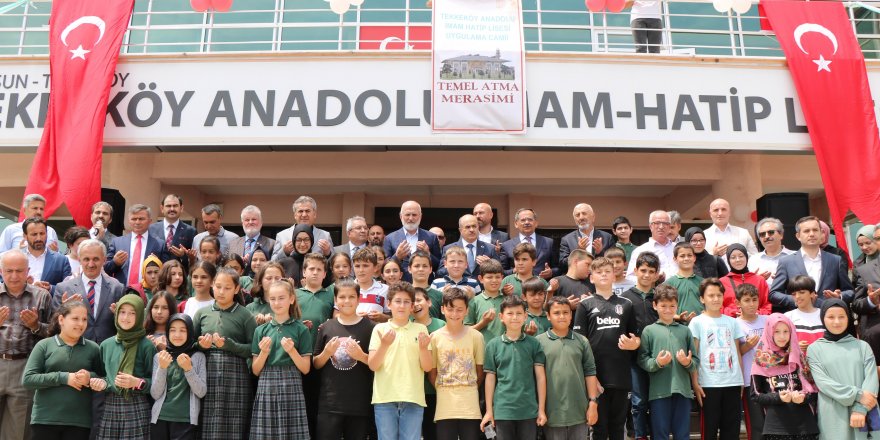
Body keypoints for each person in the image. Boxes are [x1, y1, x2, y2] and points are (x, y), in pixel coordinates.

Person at [573, 257, 640, 440]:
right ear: (591, 278)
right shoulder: (585, 305)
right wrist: (590, 377)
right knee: (599, 428)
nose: (603, 274)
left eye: (607, 271)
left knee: (618, 428)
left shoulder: (626, 304)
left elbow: (635, 337)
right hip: (596, 378)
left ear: (614, 276)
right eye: (599, 272)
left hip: (620, 376)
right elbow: (580, 344)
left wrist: (635, 343)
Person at [22, 300, 103, 440]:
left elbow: (103, 379)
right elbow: (28, 379)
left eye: (84, 319)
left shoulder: (93, 348)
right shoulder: (44, 345)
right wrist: (65, 378)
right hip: (44, 420)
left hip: (79, 422)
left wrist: (89, 377)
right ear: (61, 319)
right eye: (75, 318)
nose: (81, 324)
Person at [194, 267, 257, 440]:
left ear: (237, 289)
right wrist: (202, 345)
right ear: (212, 285)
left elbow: (253, 349)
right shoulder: (201, 313)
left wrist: (230, 345)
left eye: (227, 288)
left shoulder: (245, 315)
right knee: (207, 419)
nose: (221, 292)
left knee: (235, 420)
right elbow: (190, 345)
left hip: (236, 373)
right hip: (206, 371)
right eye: (218, 286)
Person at [368, 281, 433, 440]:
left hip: (413, 398)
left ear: (412, 306)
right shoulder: (380, 329)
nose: (402, 306)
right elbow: (373, 365)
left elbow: (427, 367)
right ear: (389, 304)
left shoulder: (421, 329)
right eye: (397, 301)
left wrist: (424, 349)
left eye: (406, 302)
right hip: (385, 398)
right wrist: (384, 344)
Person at [806, 299, 879, 439]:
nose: (837, 322)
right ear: (823, 319)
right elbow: (824, 383)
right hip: (833, 414)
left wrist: (861, 409)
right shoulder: (814, 349)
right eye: (831, 317)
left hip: (865, 410)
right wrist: (858, 395)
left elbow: (871, 379)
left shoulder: (862, 346)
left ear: (848, 317)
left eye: (841, 316)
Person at [313, 278, 375, 440]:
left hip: (359, 403)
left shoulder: (370, 327)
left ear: (359, 299)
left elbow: (376, 363)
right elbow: (316, 364)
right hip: (330, 403)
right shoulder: (327, 327)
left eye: (351, 297)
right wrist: (326, 353)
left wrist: (360, 356)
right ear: (335, 300)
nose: (346, 301)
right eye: (342, 297)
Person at [250, 280, 312, 440]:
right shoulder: (260, 330)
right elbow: (256, 370)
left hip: (291, 382)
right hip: (266, 383)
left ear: (291, 299)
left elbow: (305, 368)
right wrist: (263, 353)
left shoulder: (301, 329)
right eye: (273, 299)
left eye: (281, 298)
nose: (277, 303)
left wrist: (292, 351)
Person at [0, 249, 51, 440]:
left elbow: (54, 334)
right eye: (9, 270)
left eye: (19, 271)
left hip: (25, 366)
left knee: (18, 431)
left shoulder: (41, 296)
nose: (14, 276)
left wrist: (35, 326)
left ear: (28, 271)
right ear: (1, 271)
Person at [636, 284, 698, 440]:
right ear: (655, 305)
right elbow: (642, 359)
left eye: (672, 306)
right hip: (658, 392)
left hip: (683, 391)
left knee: (683, 434)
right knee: (660, 434)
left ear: (677, 306)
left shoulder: (685, 330)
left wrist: (686, 362)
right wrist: (657, 362)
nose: (668, 310)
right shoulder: (649, 331)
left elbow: (696, 361)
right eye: (663, 305)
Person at [480, 295, 547, 439]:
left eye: (519, 313)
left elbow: (541, 378)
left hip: (529, 410)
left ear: (525, 316)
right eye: (510, 313)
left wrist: (541, 409)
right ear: (501, 317)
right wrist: (489, 411)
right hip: (503, 410)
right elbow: (490, 379)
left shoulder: (534, 344)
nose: (514, 317)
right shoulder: (493, 345)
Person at [689, 278, 746, 440]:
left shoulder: (733, 322)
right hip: (708, 384)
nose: (715, 299)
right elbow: (694, 354)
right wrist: (695, 382)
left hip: (732, 382)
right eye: (710, 295)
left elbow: (737, 352)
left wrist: (740, 379)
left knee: (731, 431)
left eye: (719, 295)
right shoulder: (697, 322)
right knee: (709, 430)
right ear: (702, 299)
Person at [95, 293, 156, 439]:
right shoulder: (106, 345)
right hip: (110, 405)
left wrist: (137, 382)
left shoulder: (146, 346)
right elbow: (102, 375)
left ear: (140, 315)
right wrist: (100, 382)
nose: (125, 317)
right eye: (122, 312)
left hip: (136, 404)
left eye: (132, 313)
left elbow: (156, 381)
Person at [537, 296, 599, 440]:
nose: (562, 316)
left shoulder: (582, 341)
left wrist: (593, 402)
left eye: (566, 312)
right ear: (548, 316)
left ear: (571, 315)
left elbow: (590, 372)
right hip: (552, 412)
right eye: (556, 313)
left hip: (579, 411)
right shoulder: (538, 342)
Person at [750, 313, 819, 440]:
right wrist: (778, 398)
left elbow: (815, 391)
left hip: (805, 427)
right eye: (777, 331)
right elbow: (755, 395)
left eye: (786, 331)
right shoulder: (761, 360)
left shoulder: (799, 357)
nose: (782, 336)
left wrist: (803, 397)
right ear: (769, 331)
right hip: (776, 428)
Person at [430, 287, 485, 440]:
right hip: (445, 406)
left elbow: (480, 372)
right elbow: (432, 373)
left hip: (470, 406)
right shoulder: (434, 337)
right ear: (442, 309)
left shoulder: (476, 336)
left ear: (467, 310)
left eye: (460, 310)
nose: (455, 314)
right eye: (450, 309)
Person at [770, 216, 853, 313]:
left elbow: (850, 291)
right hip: (799, 319)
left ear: (822, 233)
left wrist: (839, 296)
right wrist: (797, 300)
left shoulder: (835, 260)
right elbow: (774, 293)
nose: (812, 234)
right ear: (798, 236)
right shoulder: (786, 262)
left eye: (815, 230)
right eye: (806, 231)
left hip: (829, 317)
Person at [621, 251, 661, 440]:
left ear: (656, 274)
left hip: (658, 356)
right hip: (634, 358)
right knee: (638, 401)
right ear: (635, 270)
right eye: (643, 270)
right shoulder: (626, 298)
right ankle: (639, 435)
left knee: (657, 400)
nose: (646, 275)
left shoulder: (660, 296)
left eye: (651, 271)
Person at [54, 239, 126, 343]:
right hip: (76, 349)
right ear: (79, 260)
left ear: (104, 260)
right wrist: (64, 310)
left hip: (106, 351)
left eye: (96, 259)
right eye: (86, 259)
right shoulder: (63, 288)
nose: (91, 264)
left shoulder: (117, 288)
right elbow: (53, 325)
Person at [150, 313, 207, 440]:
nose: (177, 335)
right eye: (172, 330)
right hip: (160, 418)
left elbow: (201, 392)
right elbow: (155, 394)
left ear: (190, 332)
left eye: (183, 330)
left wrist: (188, 369)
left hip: (186, 420)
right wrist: (162, 368)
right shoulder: (160, 357)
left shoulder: (198, 357)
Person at [297, 253, 335, 436]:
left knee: (318, 404)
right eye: (311, 268)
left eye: (319, 269)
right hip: (298, 357)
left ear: (325, 274)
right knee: (301, 403)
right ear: (304, 271)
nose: (315, 272)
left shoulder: (330, 295)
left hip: (322, 357)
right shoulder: (295, 294)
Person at [105, 205, 168, 288]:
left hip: (148, 292)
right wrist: (115, 263)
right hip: (122, 292)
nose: (137, 222)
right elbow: (105, 270)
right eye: (134, 219)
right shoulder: (117, 242)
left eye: (141, 219)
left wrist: (158, 264)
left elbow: (167, 272)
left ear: (150, 221)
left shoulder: (160, 244)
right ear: (129, 221)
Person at [735, 284, 768, 440]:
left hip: (771, 378)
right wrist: (748, 345)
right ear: (738, 303)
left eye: (754, 299)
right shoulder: (735, 324)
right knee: (757, 424)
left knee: (773, 422)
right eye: (746, 300)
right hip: (750, 380)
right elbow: (735, 353)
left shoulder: (768, 320)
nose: (751, 304)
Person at [412, 287, 445, 440]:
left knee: (433, 432)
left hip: (436, 389)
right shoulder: (406, 326)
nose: (416, 305)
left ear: (429, 302)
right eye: (412, 302)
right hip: (413, 391)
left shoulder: (441, 325)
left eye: (419, 300)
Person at [384, 201, 443, 274]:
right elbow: (384, 267)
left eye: (414, 215)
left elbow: (439, 266)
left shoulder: (431, 237)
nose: (411, 218)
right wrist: (397, 257)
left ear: (420, 216)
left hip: (424, 283)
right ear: (401, 216)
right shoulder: (390, 238)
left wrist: (428, 254)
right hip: (400, 283)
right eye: (407, 214)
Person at [501, 208, 557, 279]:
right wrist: (514, 271)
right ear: (516, 224)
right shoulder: (506, 245)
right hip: (517, 287)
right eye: (523, 220)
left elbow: (558, 268)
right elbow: (502, 271)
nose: (527, 222)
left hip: (542, 286)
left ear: (536, 223)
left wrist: (551, 272)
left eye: (530, 219)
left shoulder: (549, 242)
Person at [273, 196, 334, 260]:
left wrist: (328, 254)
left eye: (307, 211)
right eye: (300, 211)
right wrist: (284, 252)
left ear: (314, 214)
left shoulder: (325, 236)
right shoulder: (282, 236)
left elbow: (335, 264)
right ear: (295, 215)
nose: (304, 215)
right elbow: (272, 264)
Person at [720, 244, 772, 317]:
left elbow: (766, 305)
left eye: (741, 256)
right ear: (728, 260)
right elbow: (719, 307)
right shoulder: (722, 282)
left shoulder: (760, 280)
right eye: (733, 257)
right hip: (732, 323)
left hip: (757, 324)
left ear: (746, 257)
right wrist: (733, 312)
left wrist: (757, 313)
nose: (738, 260)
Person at [440, 214, 499, 278]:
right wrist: (454, 266)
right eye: (468, 227)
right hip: (458, 286)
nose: (472, 230)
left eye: (474, 226)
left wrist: (489, 264)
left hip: (482, 287)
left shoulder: (490, 248)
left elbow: (500, 272)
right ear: (460, 230)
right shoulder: (448, 248)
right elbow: (440, 272)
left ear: (478, 228)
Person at [559, 203, 614, 271]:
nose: (581, 217)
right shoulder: (567, 239)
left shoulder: (607, 238)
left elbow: (613, 262)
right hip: (578, 280)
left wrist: (600, 252)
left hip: (600, 279)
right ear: (575, 220)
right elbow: (562, 265)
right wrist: (578, 252)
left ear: (593, 217)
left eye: (584, 213)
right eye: (577, 215)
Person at [627, 210, 678, 283]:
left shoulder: (678, 248)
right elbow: (630, 278)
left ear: (669, 226)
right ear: (650, 226)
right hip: (654, 292)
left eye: (665, 223)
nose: (661, 227)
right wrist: (651, 279)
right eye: (657, 223)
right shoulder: (640, 251)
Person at [22, 217, 71, 292]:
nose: (39, 238)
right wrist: (25, 285)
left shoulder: (60, 260)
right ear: (25, 236)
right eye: (34, 234)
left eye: (42, 233)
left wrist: (50, 288)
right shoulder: (13, 259)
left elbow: (68, 288)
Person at [465, 259, 507, 343]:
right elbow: (466, 331)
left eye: (497, 277)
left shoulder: (508, 300)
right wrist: (483, 322)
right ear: (481, 279)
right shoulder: (474, 302)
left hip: (505, 349)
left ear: (502, 278)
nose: (494, 280)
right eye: (489, 277)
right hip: (482, 349)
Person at [149, 194, 196, 265]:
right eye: (168, 206)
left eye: (175, 206)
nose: (172, 209)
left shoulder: (190, 231)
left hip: (179, 274)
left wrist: (183, 256)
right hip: (157, 274)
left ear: (181, 208)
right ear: (162, 208)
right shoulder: (151, 229)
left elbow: (195, 260)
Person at [662, 242, 703, 323]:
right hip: (677, 328)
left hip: (702, 327)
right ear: (675, 259)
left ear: (694, 258)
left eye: (689, 255)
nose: (686, 258)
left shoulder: (704, 282)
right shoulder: (668, 284)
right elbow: (663, 309)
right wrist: (678, 317)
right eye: (682, 256)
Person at [748, 218, 796, 288]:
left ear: (781, 235)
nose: (766, 236)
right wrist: (758, 281)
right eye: (762, 234)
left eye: (771, 232)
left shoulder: (795, 256)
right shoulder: (753, 260)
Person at [783, 276, 824, 350]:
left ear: (812, 293)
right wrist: (793, 346)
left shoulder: (824, 315)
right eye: (794, 294)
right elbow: (780, 343)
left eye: (802, 292)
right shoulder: (787, 317)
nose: (797, 296)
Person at [353, 247, 390, 323]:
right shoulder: (346, 288)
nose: (361, 270)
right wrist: (354, 317)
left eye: (365, 266)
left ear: (375, 267)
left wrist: (382, 317)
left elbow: (392, 317)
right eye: (357, 266)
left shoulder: (385, 289)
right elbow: (336, 315)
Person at [410, 251, 444, 319]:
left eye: (425, 266)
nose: (421, 269)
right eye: (417, 266)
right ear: (409, 269)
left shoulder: (439, 296)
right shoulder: (404, 293)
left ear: (430, 269)